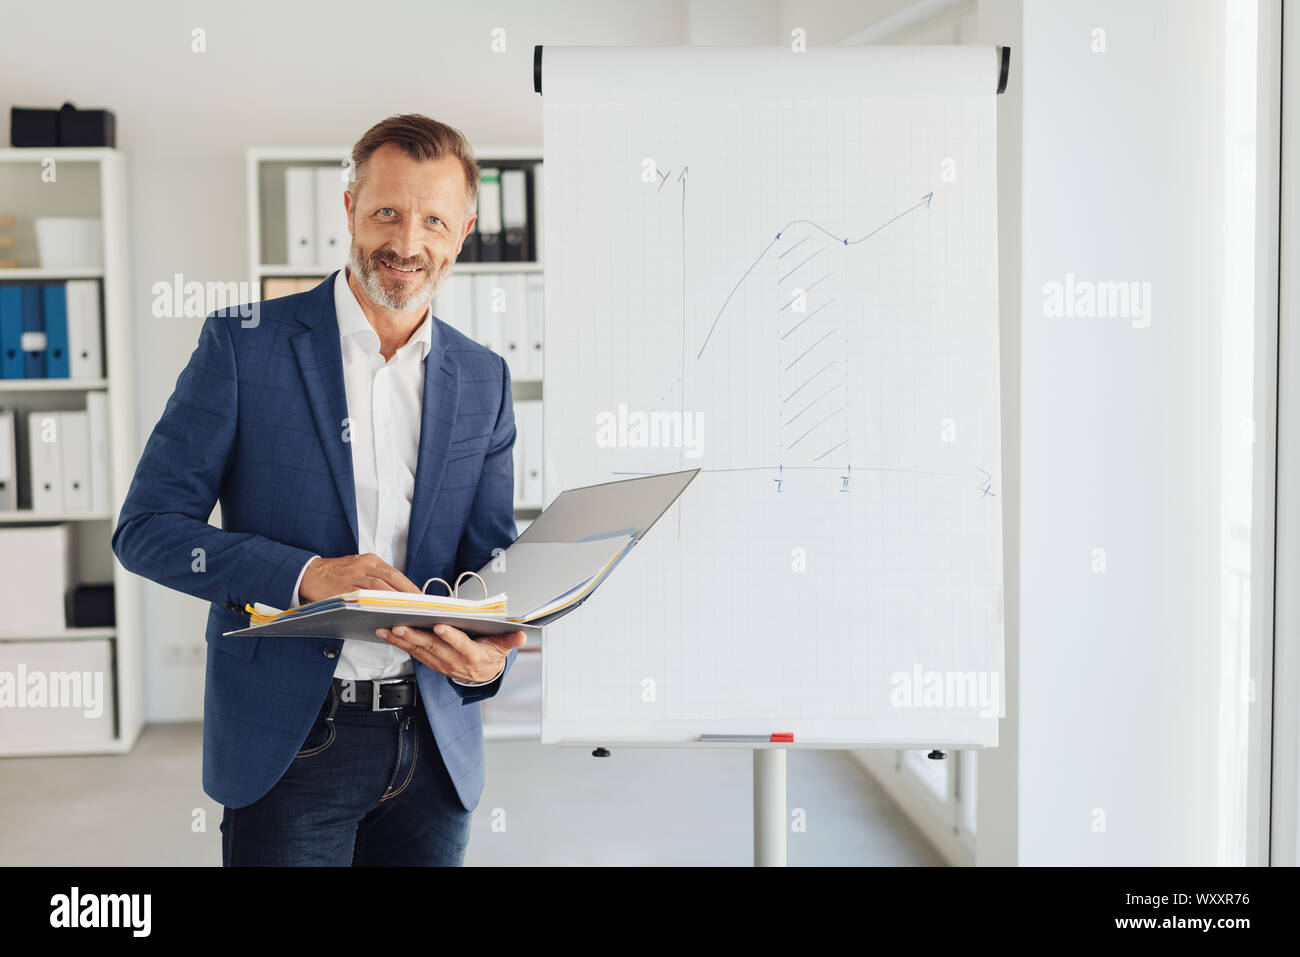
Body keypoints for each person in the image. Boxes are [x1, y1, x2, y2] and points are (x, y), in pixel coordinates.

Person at [112, 114, 527, 866]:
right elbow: (146, 528)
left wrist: (492, 655)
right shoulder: (243, 344)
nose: (406, 244)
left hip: (433, 747)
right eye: (387, 213)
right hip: (294, 743)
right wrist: (308, 577)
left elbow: (488, 563)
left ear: (463, 229)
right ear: (348, 210)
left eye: (433, 219)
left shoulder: (485, 378)